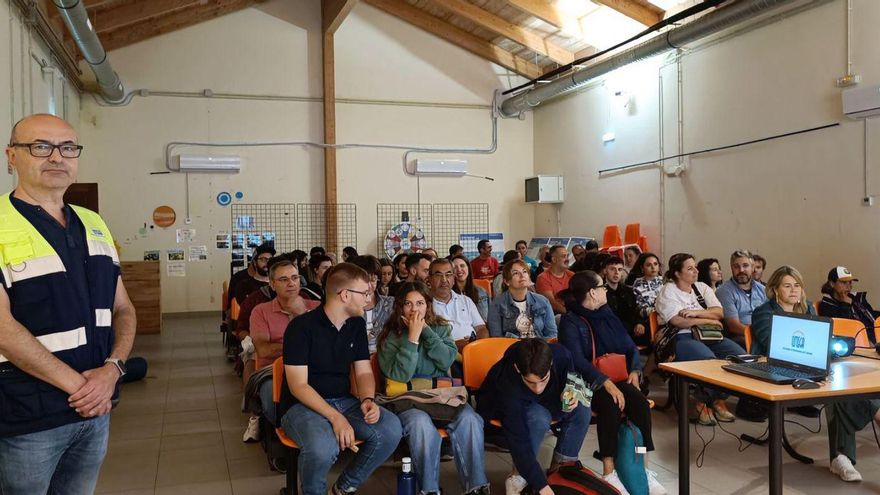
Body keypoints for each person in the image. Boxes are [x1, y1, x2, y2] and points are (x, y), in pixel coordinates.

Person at [0, 114, 137, 494]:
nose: (56, 157)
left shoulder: (94, 223)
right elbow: (2, 330)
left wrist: (112, 370)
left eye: (68, 148)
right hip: (29, 416)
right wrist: (83, 387)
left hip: (97, 409)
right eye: (40, 146)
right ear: (12, 156)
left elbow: (123, 308)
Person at [280, 263, 403, 495]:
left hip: (343, 400)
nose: (369, 298)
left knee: (391, 429)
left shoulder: (356, 324)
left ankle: (344, 487)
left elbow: (364, 370)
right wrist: (335, 417)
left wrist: (367, 398)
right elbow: (298, 386)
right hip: (302, 405)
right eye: (364, 293)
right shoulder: (301, 328)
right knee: (323, 448)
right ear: (345, 295)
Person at [558, 272, 666, 494]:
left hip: (616, 376)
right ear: (592, 293)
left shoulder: (607, 314)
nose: (606, 290)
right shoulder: (571, 321)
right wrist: (604, 382)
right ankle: (609, 471)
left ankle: (644, 466)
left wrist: (635, 371)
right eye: (602, 287)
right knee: (611, 404)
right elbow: (576, 360)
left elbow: (628, 346)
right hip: (584, 382)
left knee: (640, 405)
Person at [376, 283, 489, 495]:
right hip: (407, 399)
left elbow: (446, 359)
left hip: (442, 396)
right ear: (399, 308)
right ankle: (429, 490)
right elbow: (401, 375)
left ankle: (476, 487)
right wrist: (412, 338)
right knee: (421, 425)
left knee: (471, 420)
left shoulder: (440, 328)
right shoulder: (390, 336)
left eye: (420, 303)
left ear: (428, 306)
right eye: (408, 304)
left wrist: (426, 332)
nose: (414, 309)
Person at [477, 339, 591, 495]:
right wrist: (542, 487)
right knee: (539, 417)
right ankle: (518, 477)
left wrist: (570, 391)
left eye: (542, 380)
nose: (537, 388)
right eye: (530, 382)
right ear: (518, 369)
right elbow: (518, 441)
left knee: (582, 408)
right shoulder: (507, 384)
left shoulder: (561, 354)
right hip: (504, 405)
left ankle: (562, 469)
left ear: (551, 364)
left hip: (548, 399)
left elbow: (571, 376)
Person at [655, 253, 744, 426]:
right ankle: (703, 403)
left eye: (695, 267)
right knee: (709, 361)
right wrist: (709, 319)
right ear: (677, 273)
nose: (696, 271)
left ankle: (714, 398)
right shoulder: (668, 291)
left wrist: (696, 313)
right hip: (682, 337)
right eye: (689, 268)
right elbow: (678, 321)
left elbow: (719, 312)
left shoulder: (702, 287)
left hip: (710, 334)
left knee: (740, 358)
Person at [244, 260, 320, 440]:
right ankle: (284, 439)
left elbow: (327, 344)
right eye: (284, 279)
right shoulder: (261, 311)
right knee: (274, 400)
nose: (291, 283)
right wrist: (306, 346)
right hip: (273, 371)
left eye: (295, 278)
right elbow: (264, 350)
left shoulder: (317, 308)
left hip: (315, 369)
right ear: (272, 284)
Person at [749, 266, 818, 421]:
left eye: (797, 285)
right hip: (770, 362)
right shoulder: (764, 312)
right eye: (787, 286)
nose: (794, 290)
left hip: (801, 359)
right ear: (775, 289)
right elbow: (771, 345)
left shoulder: (807, 307)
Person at [487, 260, 557, 339]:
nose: (522, 275)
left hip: (540, 346)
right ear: (507, 281)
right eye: (516, 273)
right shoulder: (497, 304)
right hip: (512, 347)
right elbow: (497, 337)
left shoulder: (542, 301)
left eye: (524, 272)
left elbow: (552, 333)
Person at [428, 258, 488, 347]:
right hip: (445, 356)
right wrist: (458, 345)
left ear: (453, 279)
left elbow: (481, 328)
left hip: (473, 351)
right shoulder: (425, 305)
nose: (444, 280)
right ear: (430, 279)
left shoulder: (465, 300)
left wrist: (476, 345)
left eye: (448, 274)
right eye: (438, 275)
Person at [715, 251, 767, 349]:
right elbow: (733, 326)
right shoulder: (724, 291)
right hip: (739, 336)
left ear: (752, 268)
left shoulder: (763, 290)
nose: (741, 270)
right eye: (736, 266)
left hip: (762, 334)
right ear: (732, 268)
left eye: (745, 266)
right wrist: (758, 334)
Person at [819, 266, 879, 344]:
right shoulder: (826, 305)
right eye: (844, 282)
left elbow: (871, 314)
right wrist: (845, 305)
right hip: (859, 343)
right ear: (832, 284)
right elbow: (842, 329)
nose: (849, 286)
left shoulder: (856, 298)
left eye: (850, 282)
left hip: (875, 336)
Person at [348, 255, 394, 353]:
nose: (369, 286)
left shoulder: (389, 304)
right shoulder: (347, 308)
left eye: (373, 280)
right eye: (364, 281)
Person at [602, 256, 648, 347]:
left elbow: (635, 310)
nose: (616, 273)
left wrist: (639, 323)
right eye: (612, 269)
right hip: (612, 330)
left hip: (630, 328)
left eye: (620, 269)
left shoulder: (628, 290)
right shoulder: (600, 291)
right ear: (605, 271)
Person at [229, 242, 275, 309]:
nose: (267, 263)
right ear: (254, 262)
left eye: (270, 260)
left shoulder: (277, 284)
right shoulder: (243, 285)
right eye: (263, 259)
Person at [536, 245, 574, 314]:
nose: (567, 259)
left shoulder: (572, 275)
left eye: (567, 256)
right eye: (563, 256)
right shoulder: (543, 278)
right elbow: (551, 303)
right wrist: (571, 314)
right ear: (554, 259)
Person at [451, 255, 490, 322]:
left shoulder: (481, 292)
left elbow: (489, 317)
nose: (459, 270)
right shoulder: (449, 295)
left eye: (462, 266)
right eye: (455, 267)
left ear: (468, 268)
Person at [629, 253, 663, 321]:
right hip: (647, 321)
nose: (653, 267)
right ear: (642, 268)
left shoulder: (665, 282)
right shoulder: (637, 285)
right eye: (648, 265)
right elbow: (640, 310)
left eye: (655, 264)